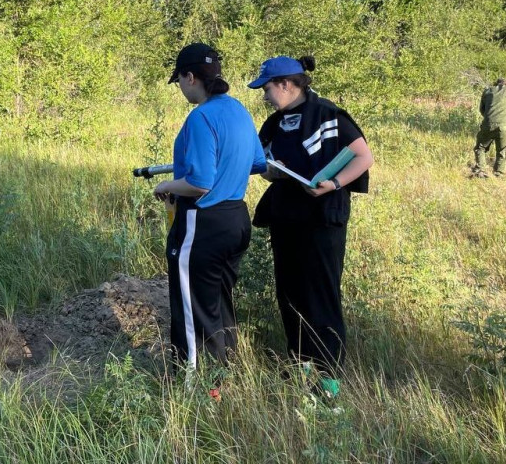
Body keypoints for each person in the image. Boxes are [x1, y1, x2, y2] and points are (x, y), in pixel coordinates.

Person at [248, 55, 373, 400]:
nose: (265, 96)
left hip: (322, 218)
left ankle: (328, 380)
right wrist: (272, 170)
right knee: (290, 293)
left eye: (267, 89)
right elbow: (263, 166)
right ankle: (300, 366)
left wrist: (333, 183)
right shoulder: (274, 123)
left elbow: (363, 157)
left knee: (321, 296)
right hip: (286, 217)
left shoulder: (328, 114)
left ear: (287, 84)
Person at [151, 42, 267, 400]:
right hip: (236, 219)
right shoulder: (238, 110)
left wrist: (166, 186)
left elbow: (200, 183)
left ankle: (193, 392)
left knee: (192, 309)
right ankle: (221, 380)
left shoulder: (201, 117)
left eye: (179, 81)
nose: (180, 89)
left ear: (190, 77)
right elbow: (257, 163)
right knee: (218, 302)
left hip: (203, 224)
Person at [472, 78, 506, 177]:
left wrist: (489, 118)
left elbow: (482, 109)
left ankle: (480, 170)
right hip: (505, 126)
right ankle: (499, 173)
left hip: (488, 124)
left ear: (497, 83)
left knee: (480, 147)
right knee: (503, 150)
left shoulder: (488, 90)